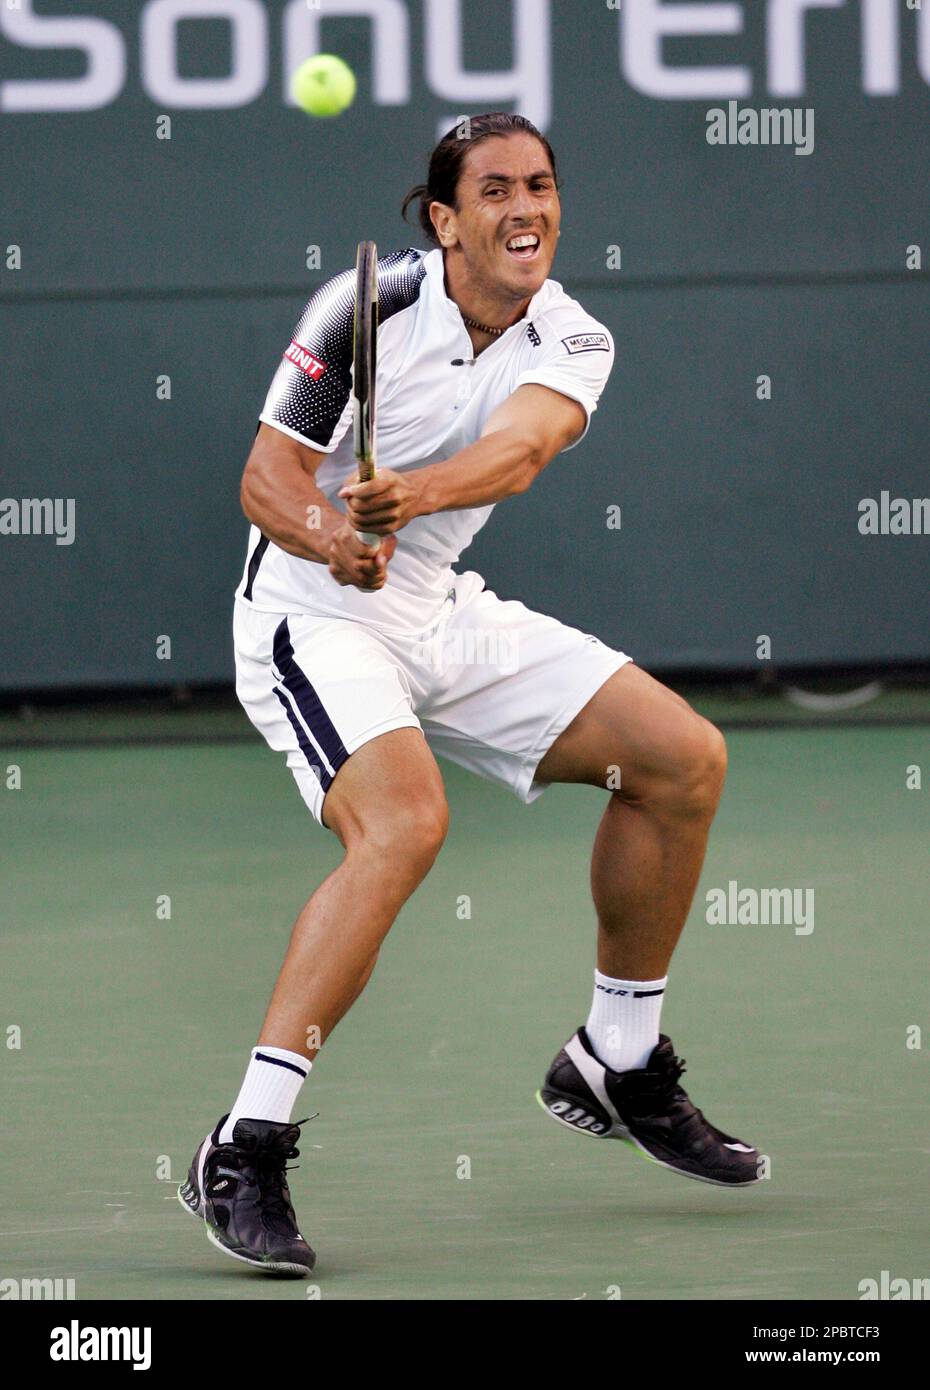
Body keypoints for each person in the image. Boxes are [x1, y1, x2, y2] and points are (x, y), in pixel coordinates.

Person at [179, 112, 759, 1278]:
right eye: (494, 190)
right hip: (312, 610)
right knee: (405, 823)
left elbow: (522, 451)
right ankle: (245, 1144)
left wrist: (414, 497)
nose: (525, 209)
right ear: (445, 220)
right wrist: (335, 534)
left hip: (438, 604)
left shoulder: (573, 333)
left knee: (680, 759)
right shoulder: (364, 310)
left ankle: (617, 1057)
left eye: (540, 185)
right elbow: (265, 477)